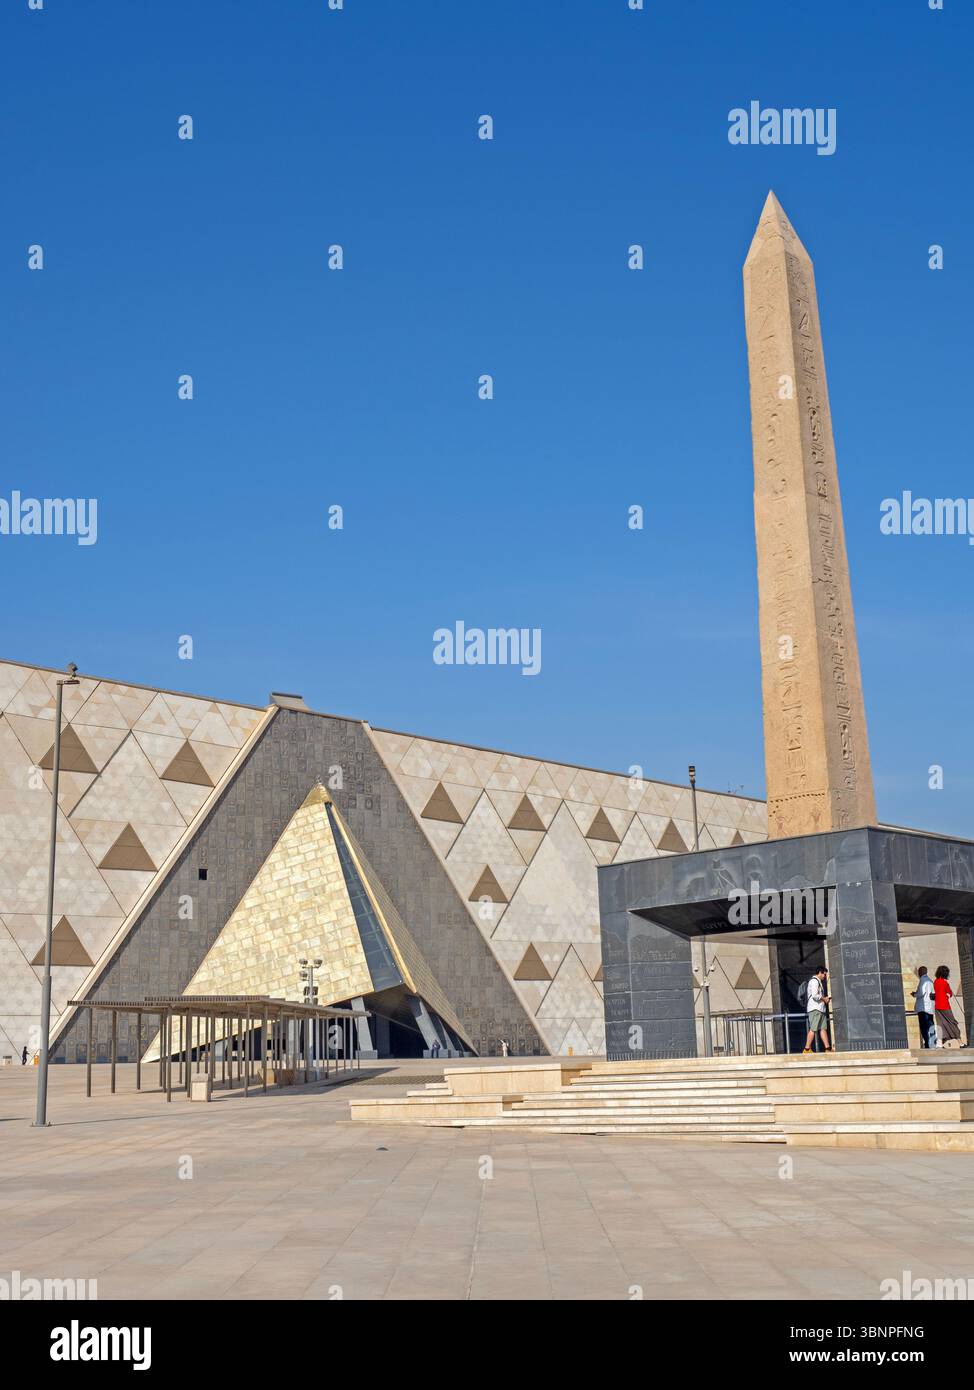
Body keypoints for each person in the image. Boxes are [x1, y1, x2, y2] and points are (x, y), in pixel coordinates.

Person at [803, 967, 832, 1054]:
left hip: (820, 1009)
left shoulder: (817, 982)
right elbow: (815, 995)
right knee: (813, 1029)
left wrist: (824, 999)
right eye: (824, 974)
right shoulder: (814, 981)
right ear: (820, 972)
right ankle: (807, 1049)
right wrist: (824, 999)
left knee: (823, 1029)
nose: (824, 976)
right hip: (815, 1009)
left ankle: (828, 1048)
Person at [933, 965, 961, 1048]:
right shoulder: (945, 983)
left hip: (937, 1005)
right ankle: (960, 1042)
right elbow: (949, 993)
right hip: (945, 1005)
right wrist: (948, 995)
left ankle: (939, 1042)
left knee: (940, 1024)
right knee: (953, 1022)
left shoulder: (936, 981)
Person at [912, 966, 937, 1048]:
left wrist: (914, 994)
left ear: (920, 972)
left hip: (923, 1008)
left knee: (923, 1027)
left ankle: (927, 1043)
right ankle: (933, 1042)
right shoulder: (930, 981)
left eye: (919, 972)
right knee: (931, 1025)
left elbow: (921, 993)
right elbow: (933, 994)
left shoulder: (923, 980)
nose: (918, 973)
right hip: (930, 1007)